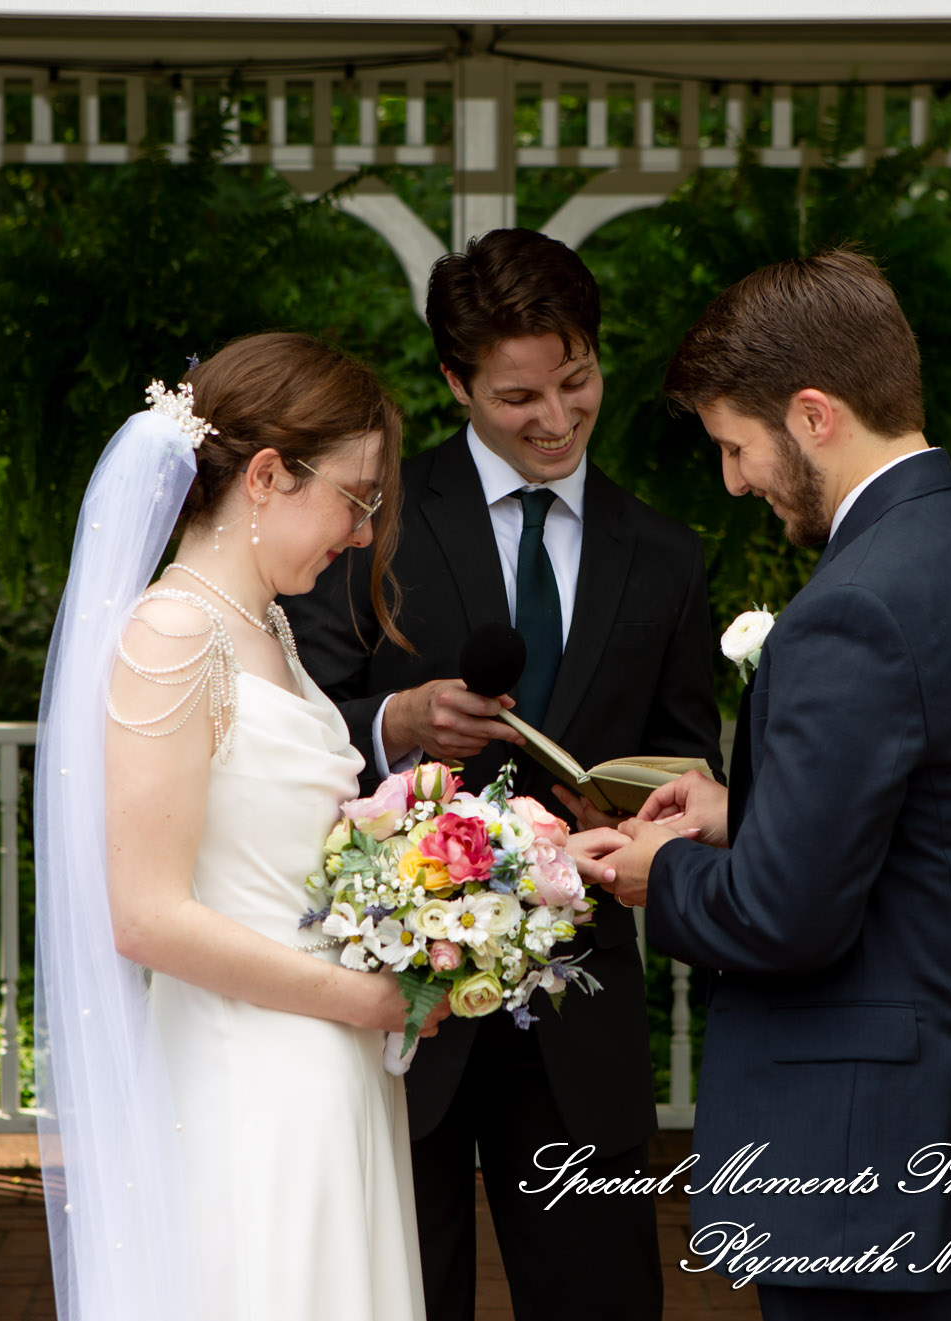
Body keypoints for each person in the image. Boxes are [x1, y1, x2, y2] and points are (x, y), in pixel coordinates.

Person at [570, 250, 951, 1321]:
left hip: (866, 1145)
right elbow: (937, 821)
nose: (735, 481)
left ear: (812, 413)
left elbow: (783, 916)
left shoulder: (856, 606)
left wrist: (661, 873)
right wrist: (745, 811)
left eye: (736, 447)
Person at [285, 228, 725, 1321]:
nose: (559, 417)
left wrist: (637, 809)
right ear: (455, 382)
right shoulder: (368, 522)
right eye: (519, 395)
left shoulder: (665, 554)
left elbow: (696, 761)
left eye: (577, 381)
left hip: (581, 1010)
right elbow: (283, 725)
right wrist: (392, 720)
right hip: (399, 1000)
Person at [34, 332, 448, 1321]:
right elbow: (146, 914)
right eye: (355, 497)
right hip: (246, 1080)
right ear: (266, 476)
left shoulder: (268, 625)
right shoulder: (175, 635)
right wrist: (360, 998)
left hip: (325, 1070)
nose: (360, 532)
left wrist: (415, 847)